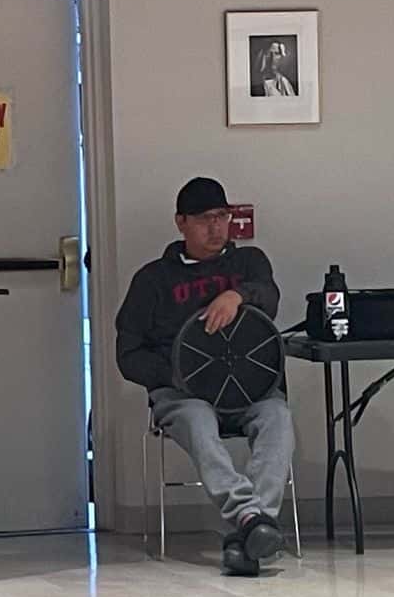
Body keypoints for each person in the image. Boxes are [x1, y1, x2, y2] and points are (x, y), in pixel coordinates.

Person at [114, 178, 294, 576]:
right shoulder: (152, 280)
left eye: (222, 216)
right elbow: (127, 356)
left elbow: (269, 295)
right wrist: (179, 374)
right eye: (204, 219)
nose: (216, 227)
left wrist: (237, 296)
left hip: (250, 389)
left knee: (277, 418)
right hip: (185, 394)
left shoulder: (248, 264)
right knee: (197, 420)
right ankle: (251, 519)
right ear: (181, 223)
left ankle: (252, 526)